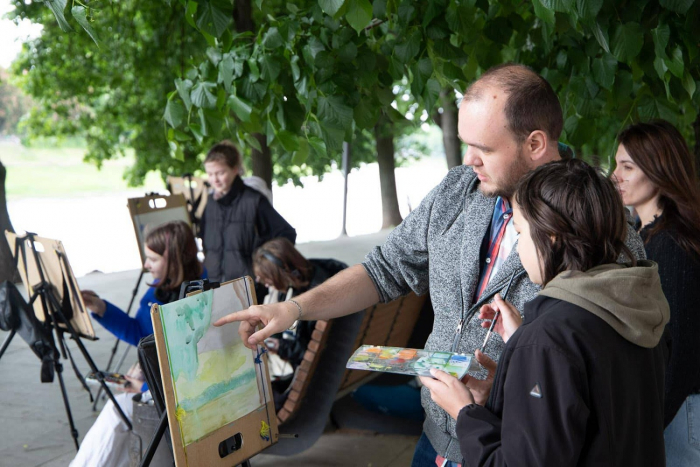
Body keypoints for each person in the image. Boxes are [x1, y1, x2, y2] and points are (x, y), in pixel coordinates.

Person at [213, 64, 646, 466]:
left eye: (483, 148)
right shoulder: (459, 189)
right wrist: (293, 309)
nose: (468, 159)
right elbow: (382, 270)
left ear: (535, 143)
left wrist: (505, 389)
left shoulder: (602, 223)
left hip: (515, 450)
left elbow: (611, 372)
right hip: (436, 439)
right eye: (465, 143)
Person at [419, 159, 669, 466]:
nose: (519, 248)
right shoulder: (632, 309)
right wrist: (515, 381)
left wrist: (464, 413)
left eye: (521, 233)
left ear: (551, 237)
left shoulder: (547, 340)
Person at [71, 221, 204, 467]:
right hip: (156, 386)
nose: (146, 265)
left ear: (173, 259)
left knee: (118, 411)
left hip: (181, 397)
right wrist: (100, 307)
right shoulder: (160, 288)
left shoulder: (197, 297)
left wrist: (145, 387)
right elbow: (141, 334)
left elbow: (192, 369)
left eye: (152, 259)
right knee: (121, 418)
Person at [613, 120, 700, 466]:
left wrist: (646, 425)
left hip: (678, 409)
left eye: (628, 167)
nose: (615, 175)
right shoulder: (642, 236)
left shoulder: (672, 245)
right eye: (616, 164)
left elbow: (679, 351)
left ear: (659, 170)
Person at [252, 237, 347, 409]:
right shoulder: (293, 285)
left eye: (266, 278)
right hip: (312, 369)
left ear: (282, 272)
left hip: (312, 378)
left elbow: (315, 354)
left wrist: (279, 346)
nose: (262, 283)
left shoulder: (315, 298)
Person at [200, 140, 296, 293]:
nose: (214, 179)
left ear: (235, 170)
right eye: (210, 174)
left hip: (249, 288)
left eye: (220, 173)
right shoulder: (210, 203)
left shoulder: (254, 200)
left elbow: (287, 234)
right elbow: (205, 241)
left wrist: (266, 267)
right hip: (214, 286)